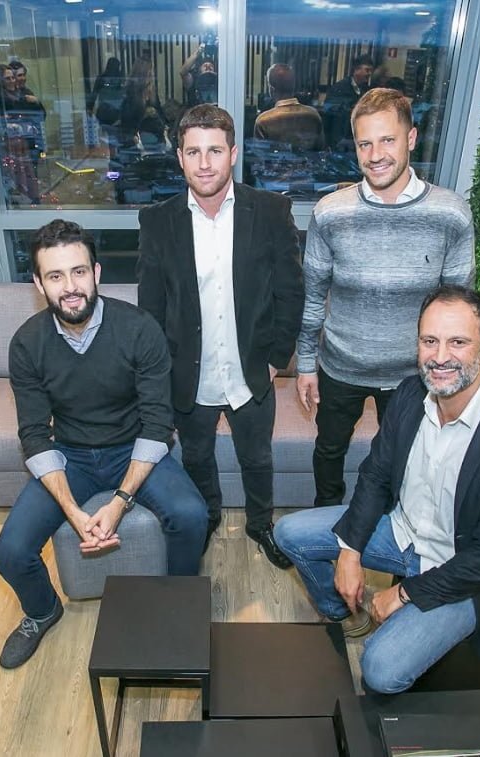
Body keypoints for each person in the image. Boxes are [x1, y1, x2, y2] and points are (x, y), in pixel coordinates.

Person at [275, 285, 480, 693]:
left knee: (380, 671)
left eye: (457, 342)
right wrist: (350, 551)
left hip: (461, 571)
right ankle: (342, 612)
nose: (440, 357)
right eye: (429, 341)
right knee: (289, 532)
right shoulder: (409, 394)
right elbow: (376, 475)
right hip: (402, 532)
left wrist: (404, 594)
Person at [0, 220, 207, 670]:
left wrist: (119, 502)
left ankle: (179, 600)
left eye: (78, 272)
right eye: (55, 276)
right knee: (9, 552)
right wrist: (73, 512)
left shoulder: (139, 329)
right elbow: (34, 434)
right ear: (38, 284)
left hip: (134, 446)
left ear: (96, 273)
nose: (70, 287)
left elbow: (157, 423)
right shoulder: (27, 343)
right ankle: (42, 611)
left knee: (191, 515)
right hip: (71, 455)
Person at [137, 104, 304, 568]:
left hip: (252, 368)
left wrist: (277, 358)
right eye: (194, 152)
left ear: (233, 153)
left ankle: (260, 524)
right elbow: (151, 307)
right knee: (196, 455)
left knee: (258, 457)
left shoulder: (270, 211)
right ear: (180, 157)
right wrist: (160, 373)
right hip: (188, 374)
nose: (205, 163)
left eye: (214, 150)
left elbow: (291, 291)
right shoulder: (158, 221)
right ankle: (207, 516)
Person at [296, 87, 474, 509]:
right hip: (341, 366)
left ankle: (395, 526)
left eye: (387, 140)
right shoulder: (330, 212)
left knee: (407, 459)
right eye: (364, 143)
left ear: (411, 138)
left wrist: (454, 371)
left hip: (414, 374)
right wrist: (305, 364)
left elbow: (459, 309)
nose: (375, 155)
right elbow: (313, 296)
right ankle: (327, 522)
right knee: (328, 451)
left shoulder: (451, 213)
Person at [0, 61, 46, 203]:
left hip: (28, 144)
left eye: (13, 77)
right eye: (8, 78)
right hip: (11, 146)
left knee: (29, 175)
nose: (13, 80)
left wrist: (35, 102)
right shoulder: (0, 99)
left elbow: (41, 115)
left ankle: (33, 202)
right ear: (0, 81)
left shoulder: (23, 94)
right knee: (17, 177)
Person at [253, 63, 325, 152]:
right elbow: (321, 151)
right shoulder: (313, 115)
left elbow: (259, 155)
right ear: (293, 86)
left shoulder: (263, 121)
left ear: (271, 89)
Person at [323, 54, 374, 147]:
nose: (369, 74)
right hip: (339, 140)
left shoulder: (366, 90)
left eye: (371, 71)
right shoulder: (339, 88)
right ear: (356, 70)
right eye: (367, 70)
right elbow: (328, 110)